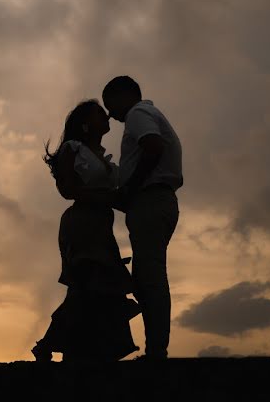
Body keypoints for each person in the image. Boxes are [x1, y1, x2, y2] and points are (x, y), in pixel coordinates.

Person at [32, 100, 140, 362]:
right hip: (81, 223)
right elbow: (67, 190)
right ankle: (51, 343)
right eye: (99, 114)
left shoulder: (101, 157)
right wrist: (105, 198)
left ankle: (85, 349)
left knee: (99, 286)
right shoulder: (73, 149)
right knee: (88, 282)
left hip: (101, 224)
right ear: (84, 124)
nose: (107, 117)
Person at [102, 76, 182, 360]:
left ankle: (156, 353)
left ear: (124, 95)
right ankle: (155, 350)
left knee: (150, 277)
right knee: (147, 275)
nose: (110, 114)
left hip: (150, 199)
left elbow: (153, 146)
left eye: (109, 104)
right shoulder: (145, 114)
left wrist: (130, 188)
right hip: (151, 201)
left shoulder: (138, 114)